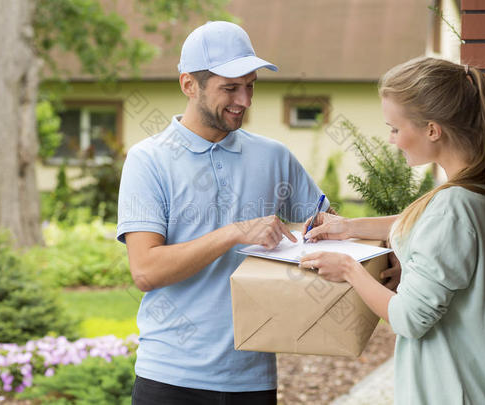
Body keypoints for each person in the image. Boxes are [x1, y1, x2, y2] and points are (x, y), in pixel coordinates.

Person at [117, 21, 334, 405]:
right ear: (189, 85)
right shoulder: (148, 160)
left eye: (250, 85)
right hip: (169, 379)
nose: (245, 100)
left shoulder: (273, 156)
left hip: (252, 379)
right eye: (230, 87)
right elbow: (145, 271)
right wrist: (234, 232)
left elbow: (328, 225)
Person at [299, 57, 485, 404]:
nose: (391, 139)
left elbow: (408, 319)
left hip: (449, 391)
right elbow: (427, 222)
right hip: (484, 384)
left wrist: (349, 270)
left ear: (432, 130)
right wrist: (348, 227)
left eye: (395, 128)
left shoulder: (452, 208)